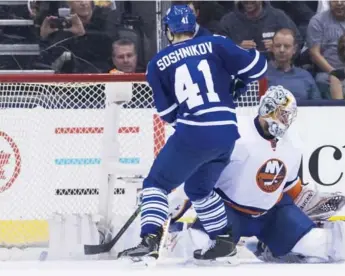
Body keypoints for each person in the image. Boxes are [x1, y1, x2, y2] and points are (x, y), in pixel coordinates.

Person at [117, 5, 267, 264]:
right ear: (194, 26)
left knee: (156, 184)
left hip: (195, 131)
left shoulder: (157, 64)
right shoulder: (216, 43)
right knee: (198, 188)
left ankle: (149, 240)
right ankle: (223, 240)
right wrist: (235, 86)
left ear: (167, 31)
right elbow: (257, 68)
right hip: (227, 133)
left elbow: (168, 113)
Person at [165, 86, 345, 264]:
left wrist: (312, 201)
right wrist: (177, 200)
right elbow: (200, 176)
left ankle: (264, 247)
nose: (285, 121)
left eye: (288, 116)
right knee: (200, 252)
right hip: (228, 211)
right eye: (282, 114)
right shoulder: (234, 133)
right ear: (267, 109)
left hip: (273, 213)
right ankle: (177, 237)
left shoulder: (294, 143)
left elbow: (290, 186)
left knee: (323, 247)